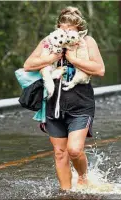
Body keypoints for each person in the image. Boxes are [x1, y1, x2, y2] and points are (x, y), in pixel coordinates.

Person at [23, 6, 105, 190]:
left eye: (71, 28)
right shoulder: (49, 41)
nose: (67, 32)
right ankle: (66, 192)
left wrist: (73, 60)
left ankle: (83, 177)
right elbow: (28, 65)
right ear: (58, 27)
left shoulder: (87, 42)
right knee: (60, 153)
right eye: (64, 28)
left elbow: (99, 69)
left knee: (74, 150)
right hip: (53, 106)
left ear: (78, 28)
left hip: (80, 105)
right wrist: (53, 56)